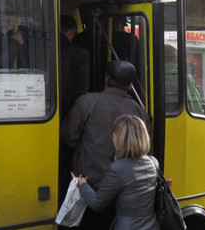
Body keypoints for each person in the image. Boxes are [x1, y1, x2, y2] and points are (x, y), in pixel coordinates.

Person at [61, 60, 149, 229]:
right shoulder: (139, 111)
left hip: (88, 186)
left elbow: (68, 138)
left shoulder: (85, 102)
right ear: (130, 85)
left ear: (106, 79)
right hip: (124, 193)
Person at [75, 115, 158, 230]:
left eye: (114, 135)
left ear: (120, 139)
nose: (112, 137)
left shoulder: (118, 169)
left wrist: (82, 184)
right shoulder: (153, 163)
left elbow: (97, 203)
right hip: (152, 225)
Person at [59, 15, 90, 119]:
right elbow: (81, 91)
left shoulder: (40, 49)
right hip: (69, 113)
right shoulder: (81, 55)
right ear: (72, 32)